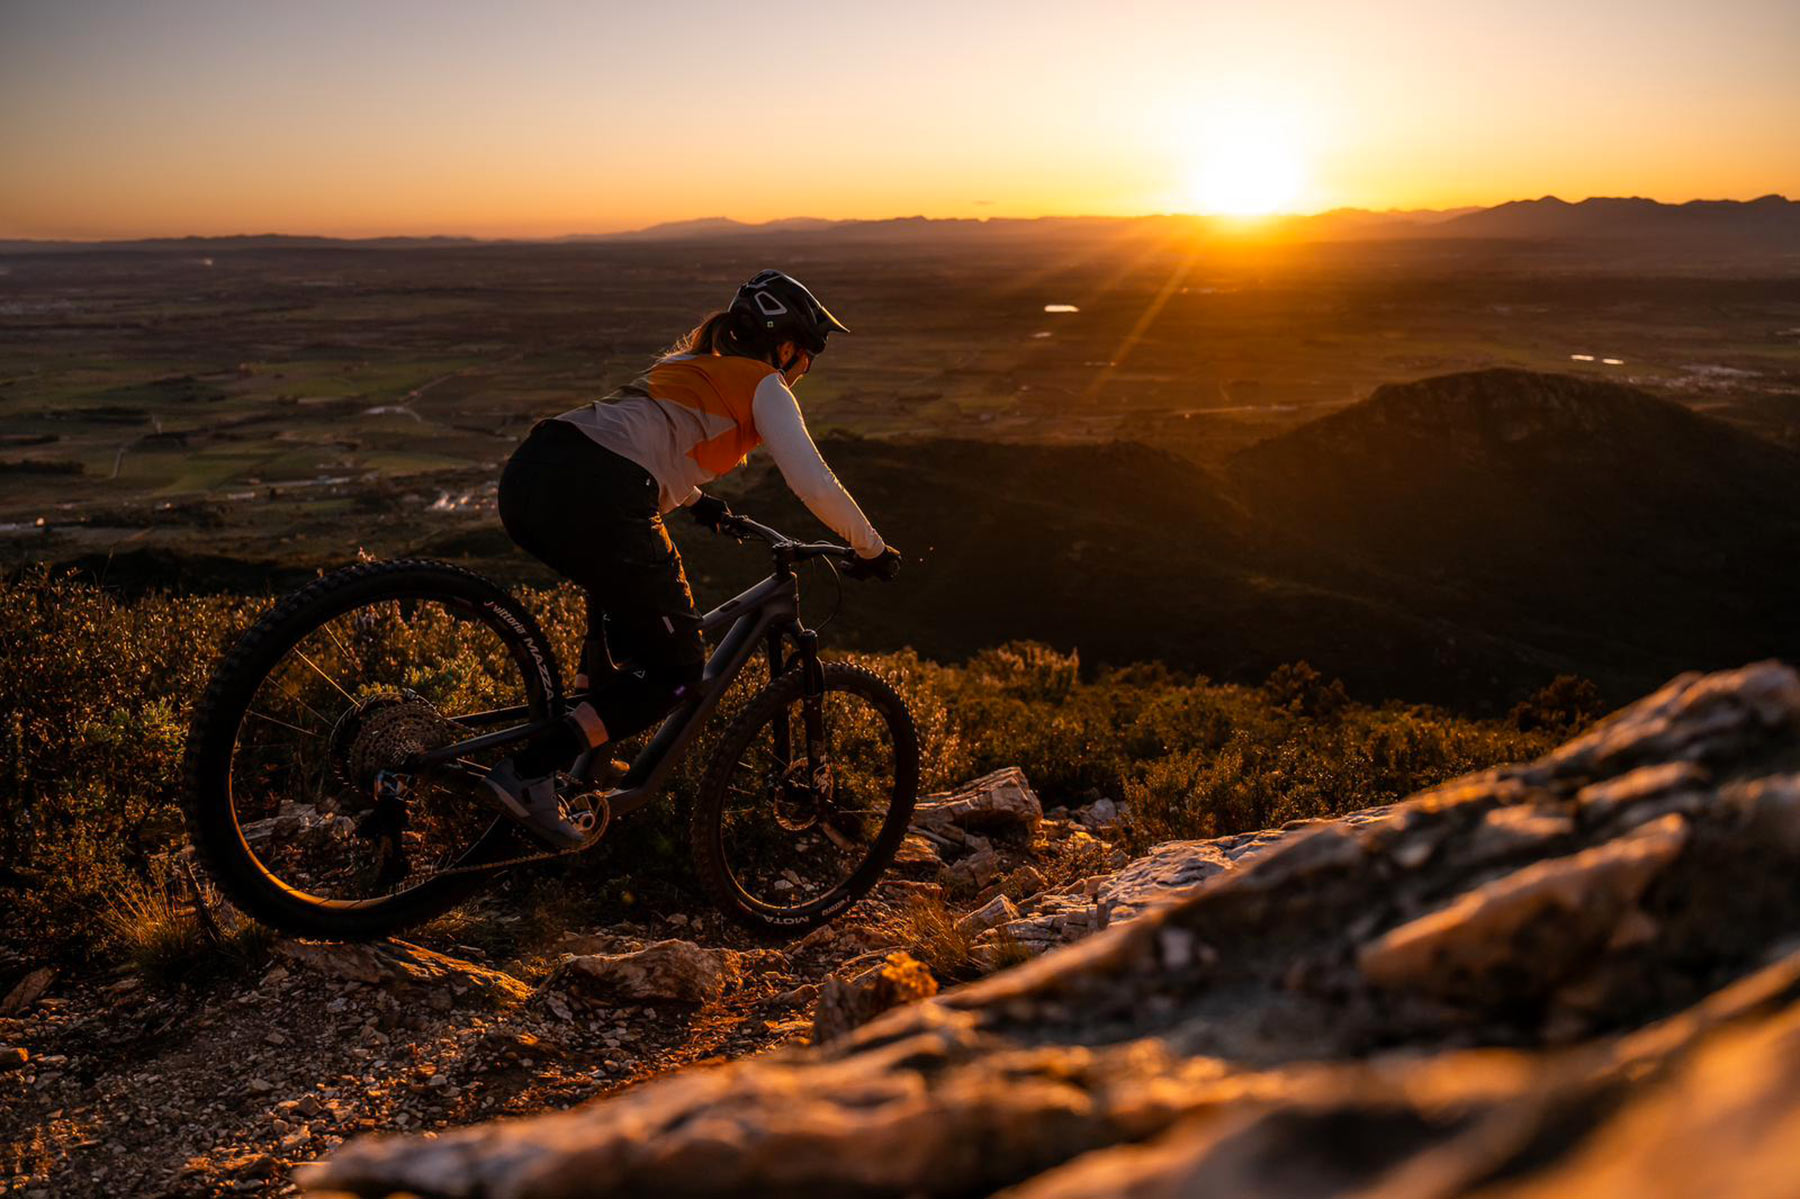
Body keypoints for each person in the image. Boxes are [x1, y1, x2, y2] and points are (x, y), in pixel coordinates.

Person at [486, 269, 902, 847]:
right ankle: (529, 771)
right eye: (805, 358)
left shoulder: (687, 365)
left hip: (534, 471)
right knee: (678, 673)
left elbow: (643, 436)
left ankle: (579, 756)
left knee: (631, 634)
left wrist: (698, 501)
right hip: (600, 492)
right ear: (784, 348)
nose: (802, 371)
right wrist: (870, 547)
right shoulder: (764, 385)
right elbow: (814, 483)